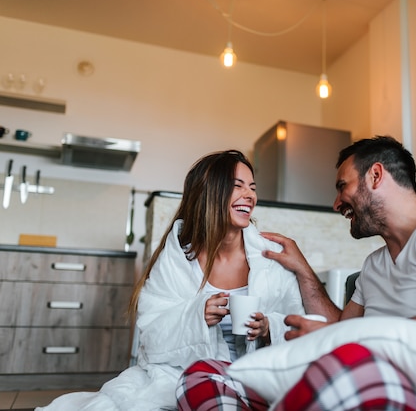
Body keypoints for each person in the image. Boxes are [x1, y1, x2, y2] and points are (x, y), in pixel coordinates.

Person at [176, 136, 416, 410]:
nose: (336, 203)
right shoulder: (374, 265)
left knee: (336, 372)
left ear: (376, 176)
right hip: (354, 370)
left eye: (342, 186)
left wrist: (354, 340)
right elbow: (342, 329)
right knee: (203, 376)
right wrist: (303, 269)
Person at [37, 150, 306, 411]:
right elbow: (152, 334)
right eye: (237, 186)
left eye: (252, 187)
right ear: (209, 193)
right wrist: (196, 314)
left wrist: (269, 326)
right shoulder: (177, 260)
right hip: (182, 375)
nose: (249, 195)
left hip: (256, 375)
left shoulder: (270, 259)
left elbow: (301, 329)